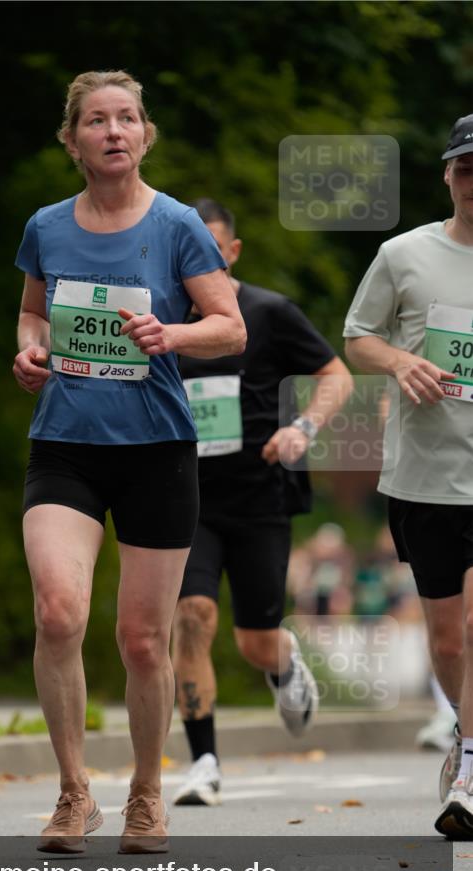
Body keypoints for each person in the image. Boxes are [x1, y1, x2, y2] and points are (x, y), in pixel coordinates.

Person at [12, 74, 245, 852]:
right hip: (66, 446)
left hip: (157, 451)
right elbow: (32, 311)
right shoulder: (46, 225)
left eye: (127, 118)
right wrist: (29, 351)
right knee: (57, 612)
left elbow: (230, 327)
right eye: (96, 121)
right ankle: (74, 793)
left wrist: (169, 337)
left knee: (143, 640)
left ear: (144, 135)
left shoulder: (178, 225)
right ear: (71, 139)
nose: (113, 131)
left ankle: (146, 795)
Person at [172, 199, 353, 806]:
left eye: (213, 248)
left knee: (254, 638)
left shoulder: (269, 312)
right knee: (191, 617)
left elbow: (337, 375)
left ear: (232, 251)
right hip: (185, 500)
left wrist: (303, 427)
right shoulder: (159, 318)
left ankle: (281, 663)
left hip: (261, 497)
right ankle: (203, 761)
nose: (202, 259)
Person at [344, 114, 473, 839]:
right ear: (447, 175)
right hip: (424, 475)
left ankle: (470, 769)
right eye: (465, 168)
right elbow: (356, 337)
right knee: (448, 640)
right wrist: (399, 361)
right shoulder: (403, 254)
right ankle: (464, 730)